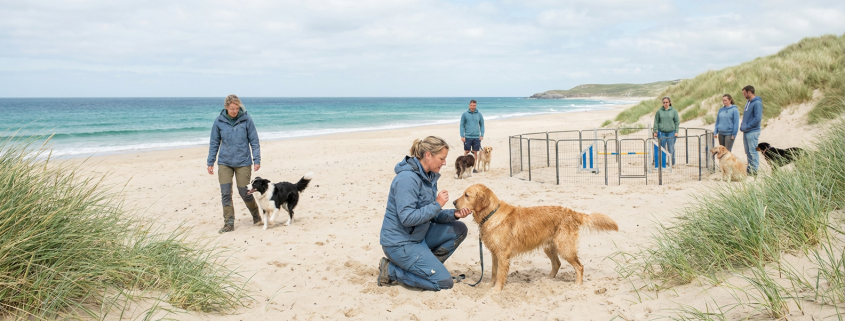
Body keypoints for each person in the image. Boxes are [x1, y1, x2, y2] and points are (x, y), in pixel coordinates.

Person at [377, 136, 472, 291]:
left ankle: (426, 269)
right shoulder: (407, 179)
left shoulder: (429, 177)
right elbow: (407, 218)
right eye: (442, 158)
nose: (445, 163)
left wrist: (455, 214)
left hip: (419, 236)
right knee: (444, 283)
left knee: (459, 229)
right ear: (428, 155)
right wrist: (437, 204)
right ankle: (391, 271)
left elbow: (432, 214)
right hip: (400, 243)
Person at [207, 94, 262, 234]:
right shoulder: (219, 121)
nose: (235, 111)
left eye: (237, 108)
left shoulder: (246, 119)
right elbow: (214, 143)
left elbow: (254, 141)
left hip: (243, 162)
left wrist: (257, 159)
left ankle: (256, 216)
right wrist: (210, 161)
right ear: (226, 107)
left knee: (245, 192)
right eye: (232, 109)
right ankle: (228, 223)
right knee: (225, 193)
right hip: (225, 162)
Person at [740, 85, 763, 175]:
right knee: (748, 151)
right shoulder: (748, 102)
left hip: (752, 131)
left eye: (744, 93)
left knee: (753, 151)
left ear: (749, 92)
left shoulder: (757, 103)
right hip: (746, 131)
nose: (744, 95)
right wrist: (743, 126)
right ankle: (750, 169)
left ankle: (755, 170)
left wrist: (748, 126)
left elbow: (758, 118)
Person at [652, 97, 680, 165]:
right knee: (662, 149)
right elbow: (656, 121)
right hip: (662, 133)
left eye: (666, 102)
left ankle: (672, 163)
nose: (665, 104)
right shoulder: (659, 111)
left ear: (669, 102)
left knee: (671, 148)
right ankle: (663, 163)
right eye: (664, 102)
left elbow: (677, 122)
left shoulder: (674, 111)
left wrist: (676, 131)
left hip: (671, 133)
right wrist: (655, 131)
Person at [460, 100, 485, 173]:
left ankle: (474, 168)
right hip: (467, 136)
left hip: (476, 136)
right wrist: (462, 136)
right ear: (469, 105)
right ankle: (463, 166)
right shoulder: (464, 114)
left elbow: (482, 125)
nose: (472, 107)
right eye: (471, 105)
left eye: (474, 105)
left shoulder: (479, 114)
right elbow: (462, 125)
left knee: (475, 153)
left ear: (476, 105)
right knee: (467, 151)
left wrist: (482, 134)